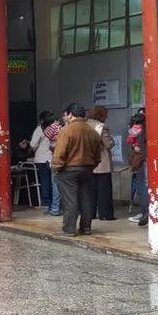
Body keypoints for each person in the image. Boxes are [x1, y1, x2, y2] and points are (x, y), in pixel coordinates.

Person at [51, 102, 102, 237]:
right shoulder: (93, 131)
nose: (64, 117)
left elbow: (60, 152)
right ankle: (86, 228)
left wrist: (56, 167)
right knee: (86, 200)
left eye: (66, 115)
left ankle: (69, 229)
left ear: (71, 115)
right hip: (87, 169)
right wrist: (90, 166)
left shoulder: (66, 131)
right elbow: (98, 156)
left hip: (68, 170)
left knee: (70, 200)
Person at [87, 105, 116, 221]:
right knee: (104, 191)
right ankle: (105, 214)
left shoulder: (86, 124)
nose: (107, 116)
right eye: (106, 114)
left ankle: (91, 213)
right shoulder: (101, 127)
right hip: (102, 163)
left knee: (91, 191)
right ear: (101, 115)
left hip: (89, 162)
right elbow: (109, 144)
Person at [28, 111, 57, 212]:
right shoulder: (56, 128)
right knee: (54, 183)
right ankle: (55, 204)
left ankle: (45, 202)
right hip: (53, 158)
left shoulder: (39, 129)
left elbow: (32, 144)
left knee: (45, 181)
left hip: (42, 159)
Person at [127, 111, 149, 226]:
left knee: (141, 187)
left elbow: (131, 141)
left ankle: (144, 212)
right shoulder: (145, 129)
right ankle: (145, 212)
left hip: (139, 161)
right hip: (143, 160)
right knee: (144, 186)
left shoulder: (133, 130)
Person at [43, 116, 63, 216]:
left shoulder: (51, 135)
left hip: (55, 161)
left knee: (54, 184)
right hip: (63, 162)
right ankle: (58, 207)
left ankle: (55, 208)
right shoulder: (61, 130)